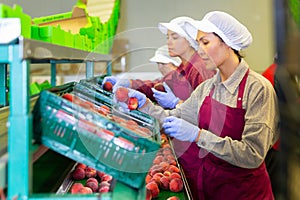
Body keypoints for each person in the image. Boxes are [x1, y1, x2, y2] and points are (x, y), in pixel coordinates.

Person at [115, 11, 280, 199]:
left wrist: (198, 135)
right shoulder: (207, 88)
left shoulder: (258, 89)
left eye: (205, 42)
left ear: (227, 43)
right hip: (209, 187)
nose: (200, 50)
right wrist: (144, 106)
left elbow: (252, 154)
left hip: (243, 192)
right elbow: (172, 119)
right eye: (198, 43)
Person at [102, 16, 216, 109]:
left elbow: (208, 109)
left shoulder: (201, 68)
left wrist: (177, 103)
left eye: (175, 38)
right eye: (168, 37)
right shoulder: (183, 67)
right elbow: (159, 86)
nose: (169, 43)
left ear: (190, 40)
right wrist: (130, 83)